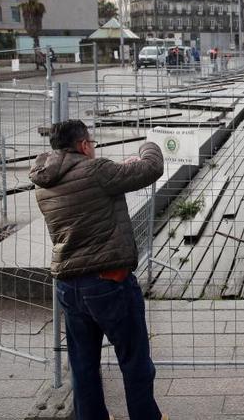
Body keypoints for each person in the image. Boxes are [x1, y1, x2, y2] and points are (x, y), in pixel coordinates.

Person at [29, 120, 166, 420]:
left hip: (68, 286)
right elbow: (152, 168)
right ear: (83, 145)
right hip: (108, 282)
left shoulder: (44, 182)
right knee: (135, 362)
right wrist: (150, 143)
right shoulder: (97, 170)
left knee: (83, 365)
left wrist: (117, 169)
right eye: (91, 141)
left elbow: (85, 193)